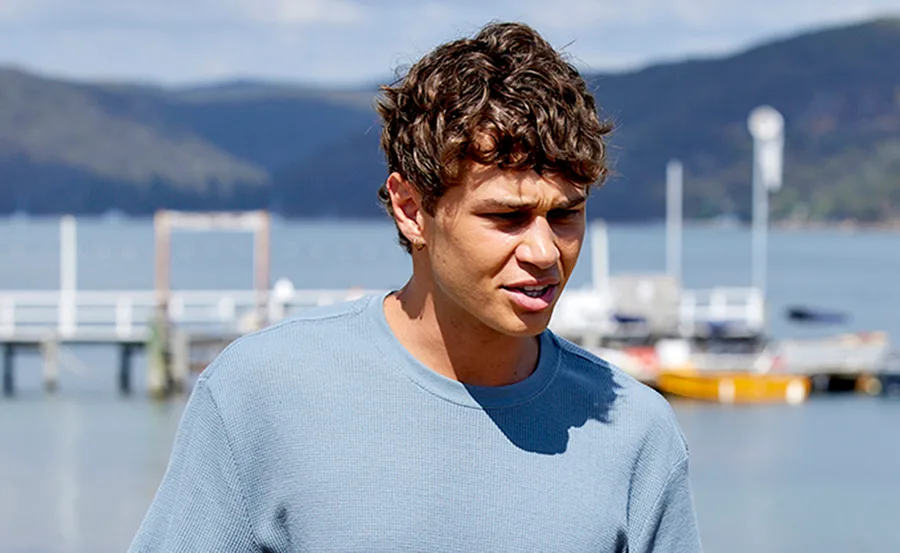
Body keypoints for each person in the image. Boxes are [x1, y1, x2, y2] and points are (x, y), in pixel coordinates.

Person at [128, 21, 702, 552]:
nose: (545, 252)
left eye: (565, 215)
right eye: (506, 218)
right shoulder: (260, 393)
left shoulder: (637, 433)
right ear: (410, 208)